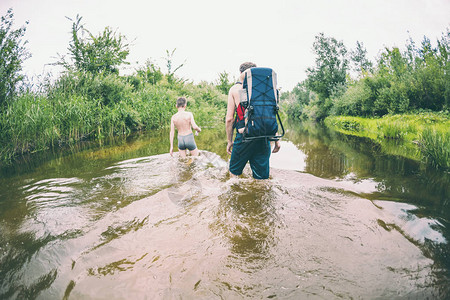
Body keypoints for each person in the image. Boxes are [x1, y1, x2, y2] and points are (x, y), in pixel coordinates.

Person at [225, 62, 281, 179]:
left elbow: (230, 119)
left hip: (244, 136)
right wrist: (276, 140)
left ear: (241, 73)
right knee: (262, 179)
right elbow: (271, 115)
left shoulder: (235, 89)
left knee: (234, 174)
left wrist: (229, 141)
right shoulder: (267, 91)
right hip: (263, 137)